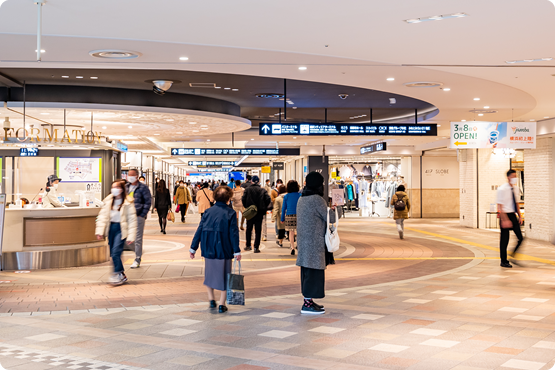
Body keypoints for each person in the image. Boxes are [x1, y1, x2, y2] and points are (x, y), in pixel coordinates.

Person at [190, 186, 241, 313]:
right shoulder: (230, 213)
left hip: (208, 247)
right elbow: (234, 233)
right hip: (224, 248)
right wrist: (237, 250)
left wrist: (193, 248)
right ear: (228, 199)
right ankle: (222, 304)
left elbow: (199, 229)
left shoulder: (207, 212)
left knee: (209, 274)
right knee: (225, 276)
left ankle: (211, 299)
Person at [296, 171, 335, 315]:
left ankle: (309, 301)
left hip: (305, 242)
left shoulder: (302, 198)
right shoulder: (317, 200)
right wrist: (335, 209)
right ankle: (307, 305)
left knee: (307, 272)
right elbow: (329, 217)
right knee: (313, 273)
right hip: (314, 243)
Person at [95, 180, 137, 286]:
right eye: (112, 187)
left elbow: (132, 220)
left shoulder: (127, 202)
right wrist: (99, 231)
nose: (114, 190)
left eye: (116, 187)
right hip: (111, 228)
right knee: (113, 254)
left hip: (121, 229)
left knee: (115, 252)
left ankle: (117, 273)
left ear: (121, 189)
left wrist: (131, 236)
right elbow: (102, 216)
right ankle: (121, 273)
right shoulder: (109, 201)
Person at [497, 169, 524, 268]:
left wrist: (520, 216)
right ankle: (503, 261)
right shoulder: (502, 189)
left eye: (515, 176)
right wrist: (504, 219)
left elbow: (516, 203)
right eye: (513, 176)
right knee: (504, 240)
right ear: (508, 177)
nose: (515, 178)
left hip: (512, 215)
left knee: (521, 238)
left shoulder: (516, 189)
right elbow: (500, 206)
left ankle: (513, 255)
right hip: (504, 215)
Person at [126, 168, 152, 269]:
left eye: (132, 175)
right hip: (127, 216)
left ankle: (137, 258)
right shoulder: (126, 187)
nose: (130, 177)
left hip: (138, 216)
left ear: (137, 176)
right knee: (125, 236)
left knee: (137, 238)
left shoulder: (143, 188)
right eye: (129, 175)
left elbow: (148, 201)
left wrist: (142, 214)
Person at [241, 175, 271, 253]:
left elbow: (243, 199)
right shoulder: (262, 190)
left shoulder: (247, 190)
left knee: (249, 229)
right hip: (259, 212)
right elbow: (268, 199)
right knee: (258, 230)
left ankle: (248, 245)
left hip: (250, 213)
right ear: (259, 181)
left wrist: (247, 207)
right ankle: (256, 247)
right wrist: (263, 207)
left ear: (251, 181)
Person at [282, 180, 301, 255]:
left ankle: (292, 247)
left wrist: (282, 218)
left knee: (291, 232)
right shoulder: (300, 195)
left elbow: (284, 208)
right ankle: (298, 246)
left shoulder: (286, 196)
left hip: (289, 215)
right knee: (299, 232)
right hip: (299, 215)